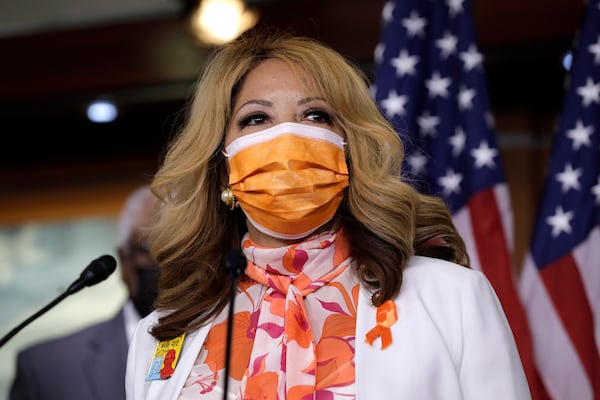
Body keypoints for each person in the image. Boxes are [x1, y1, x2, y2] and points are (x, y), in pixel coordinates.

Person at [126, 33, 531, 399]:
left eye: (315, 115)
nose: (288, 138)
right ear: (221, 167)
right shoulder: (161, 335)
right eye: (257, 119)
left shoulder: (452, 297)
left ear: (349, 151)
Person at [10, 185, 159, 400]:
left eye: (182, 250)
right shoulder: (46, 369)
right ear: (124, 261)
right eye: (151, 247)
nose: (166, 262)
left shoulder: (222, 344)